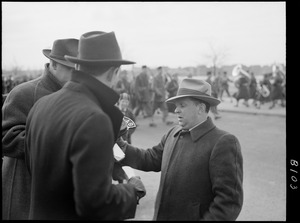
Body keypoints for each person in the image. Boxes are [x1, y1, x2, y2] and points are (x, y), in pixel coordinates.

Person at [24, 31, 146, 220]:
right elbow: (95, 204)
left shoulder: (41, 105)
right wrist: (131, 191)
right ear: (114, 72)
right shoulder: (94, 118)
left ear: (78, 66)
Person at [117, 78, 244, 221]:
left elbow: (228, 202)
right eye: (176, 105)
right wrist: (120, 144)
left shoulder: (223, 142)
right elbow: (150, 158)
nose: (176, 110)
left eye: (182, 105)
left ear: (200, 108)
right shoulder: (173, 133)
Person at [2, 38, 79, 220]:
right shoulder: (24, 93)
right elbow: (7, 138)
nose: (77, 75)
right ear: (53, 64)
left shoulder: (76, 95)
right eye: (71, 69)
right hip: (25, 188)